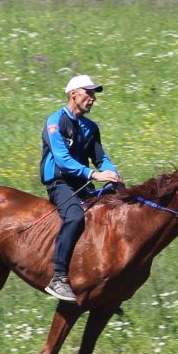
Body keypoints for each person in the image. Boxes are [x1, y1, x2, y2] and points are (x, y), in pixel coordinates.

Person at [40, 74, 122, 300]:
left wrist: (112, 173)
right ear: (73, 94)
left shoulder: (90, 127)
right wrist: (94, 174)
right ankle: (58, 278)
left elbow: (100, 158)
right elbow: (63, 160)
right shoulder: (55, 122)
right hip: (59, 183)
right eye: (89, 93)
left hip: (82, 182)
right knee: (75, 216)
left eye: (94, 94)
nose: (93, 98)